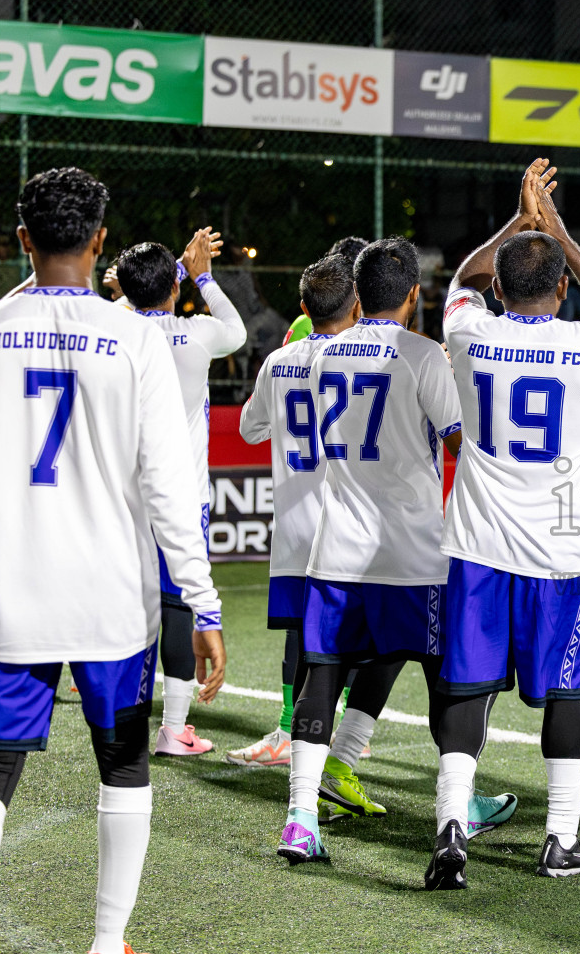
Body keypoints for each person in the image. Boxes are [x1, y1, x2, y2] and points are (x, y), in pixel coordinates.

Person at [0, 167, 225, 954]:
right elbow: (169, 489)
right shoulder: (136, 337)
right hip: (109, 595)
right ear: (100, 240)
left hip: (7, 587)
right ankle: (106, 943)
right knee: (124, 762)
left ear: (22, 239)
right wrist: (201, 605)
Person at [433, 159, 580, 887]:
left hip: (478, 548)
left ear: (498, 288)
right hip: (560, 553)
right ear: (559, 289)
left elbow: (460, 281)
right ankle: (559, 840)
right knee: (566, 693)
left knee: (465, 690)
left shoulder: (470, 334)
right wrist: (560, 235)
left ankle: (451, 829)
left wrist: (518, 222)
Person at [278, 237, 470, 866]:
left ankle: (301, 818)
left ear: (356, 296)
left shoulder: (318, 354)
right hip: (415, 555)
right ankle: (450, 823)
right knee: (449, 685)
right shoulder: (423, 357)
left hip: (335, 552)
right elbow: (459, 444)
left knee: (322, 679)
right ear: (415, 295)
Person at [112, 228, 246, 756]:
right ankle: (173, 728)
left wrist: (128, 289)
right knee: (177, 607)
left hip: (123, 498)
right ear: (176, 286)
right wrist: (203, 277)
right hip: (182, 496)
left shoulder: (112, 332)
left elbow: (123, 306)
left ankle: (122, 723)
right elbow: (235, 330)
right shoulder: (196, 335)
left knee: (126, 606)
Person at [226, 254, 359, 771]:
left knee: (301, 634)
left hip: (298, 527)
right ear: (355, 305)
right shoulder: (372, 357)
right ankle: (345, 732)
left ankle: (291, 730)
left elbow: (249, 429)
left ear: (303, 307)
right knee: (354, 634)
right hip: (356, 524)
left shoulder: (278, 363)